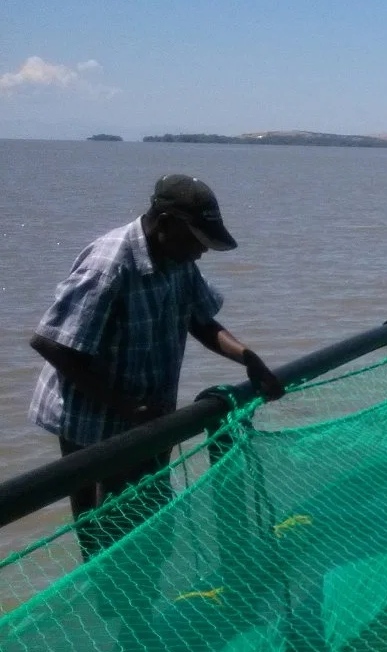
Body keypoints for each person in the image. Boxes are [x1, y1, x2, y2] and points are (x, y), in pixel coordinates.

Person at [29, 173, 284, 556]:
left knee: (149, 521)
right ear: (165, 224)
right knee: (106, 532)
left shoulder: (177, 257)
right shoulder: (109, 265)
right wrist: (125, 407)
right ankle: (112, 608)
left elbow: (200, 320)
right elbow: (50, 342)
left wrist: (249, 359)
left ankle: (136, 601)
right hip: (94, 420)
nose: (202, 253)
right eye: (197, 242)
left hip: (149, 417)